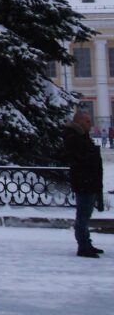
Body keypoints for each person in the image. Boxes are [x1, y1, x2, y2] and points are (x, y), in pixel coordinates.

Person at [62, 109, 105, 257]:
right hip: (84, 181)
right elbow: (80, 157)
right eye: (87, 121)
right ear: (79, 121)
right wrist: (92, 154)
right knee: (82, 216)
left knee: (86, 215)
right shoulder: (74, 137)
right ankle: (83, 246)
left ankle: (87, 243)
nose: (90, 124)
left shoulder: (82, 136)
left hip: (89, 180)